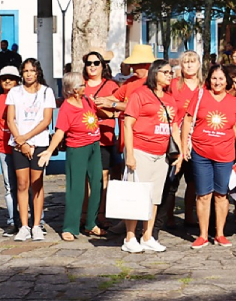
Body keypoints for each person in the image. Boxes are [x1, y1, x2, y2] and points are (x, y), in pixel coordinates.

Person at [181, 63, 236, 249]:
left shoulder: (233, 102)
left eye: (221, 79)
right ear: (209, 80)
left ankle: (219, 234)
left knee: (221, 194)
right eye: (214, 78)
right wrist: (184, 145)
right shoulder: (200, 96)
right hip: (201, 153)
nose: (217, 82)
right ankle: (202, 235)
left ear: (227, 81)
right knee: (203, 194)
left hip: (225, 155)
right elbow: (187, 120)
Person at [121, 60, 183, 253]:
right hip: (141, 150)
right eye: (165, 72)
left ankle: (147, 236)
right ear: (155, 73)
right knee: (136, 195)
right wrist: (130, 154)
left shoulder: (170, 99)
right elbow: (127, 124)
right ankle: (130, 237)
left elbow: (174, 127)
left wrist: (179, 153)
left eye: (171, 72)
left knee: (154, 197)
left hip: (161, 154)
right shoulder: (140, 95)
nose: (169, 75)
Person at [40, 72, 103, 242]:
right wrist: (48, 151)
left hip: (94, 146)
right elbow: (60, 132)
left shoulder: (87, 100)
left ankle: (91, 223)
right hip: (77, 148)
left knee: (97, 183)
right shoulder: (67, 108)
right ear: (75, 90)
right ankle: (70, 226)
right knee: (76, 188)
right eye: (82, 85)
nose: (85, 87)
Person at [6, 59, 56, 242]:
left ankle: (37, 225)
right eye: (25, 70)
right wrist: (21, 142)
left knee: (37, 183)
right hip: (19, 145)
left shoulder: (46, 92)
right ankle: (24, 225)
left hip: (38, 143)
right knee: (21, 184)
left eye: (32, 71)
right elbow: (10, 119)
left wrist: (26, 138)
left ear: (37, 72)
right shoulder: (14, 92)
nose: (28, 74)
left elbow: (46, 120)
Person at [162, 50, 203, 229]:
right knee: (172, 180)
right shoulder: (173, 85)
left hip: (198, 139)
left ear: (199, 64)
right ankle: (168, 216)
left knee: (193, 181)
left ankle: (189, 215)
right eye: (185, 62)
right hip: (176, 138)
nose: (188, 65)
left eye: (192, 62)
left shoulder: (204, 86)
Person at [80, 51, 118, 233]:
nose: (92, 66)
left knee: (103, 178)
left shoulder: (111, 86)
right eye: (89, 63)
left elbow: (117, 111)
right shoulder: (80, 85)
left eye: (96, 63)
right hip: (84, 138)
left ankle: (100, 214)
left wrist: (103, 109)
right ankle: (85, 214)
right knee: (86, 179)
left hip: (105, 139)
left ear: (103, 66)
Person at [0, 67, 22, 235]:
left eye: (11, 78)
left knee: (28, 186)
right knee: (10, 187)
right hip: (4, 148)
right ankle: (12, 220)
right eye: (4, 79)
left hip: (23, 148)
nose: (7, 81)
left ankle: (36, 220)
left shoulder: (24, 97)